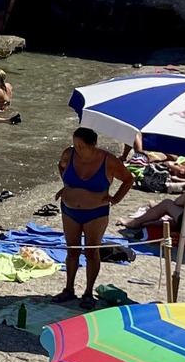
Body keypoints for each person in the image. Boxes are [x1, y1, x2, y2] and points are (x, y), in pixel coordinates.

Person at [54, 126, 135, 306]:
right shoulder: (69, 154)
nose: (78, 149)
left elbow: (129, 179)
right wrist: (67, 185)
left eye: (81, 145)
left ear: (93, 145)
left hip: (96, 213)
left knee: (91, 252)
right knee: (72, 251)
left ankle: (88, 292)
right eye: (75, 144)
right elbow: (61, 166)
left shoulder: (109, 160)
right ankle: (69, 289)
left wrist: (116, 199)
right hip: (69, 210)